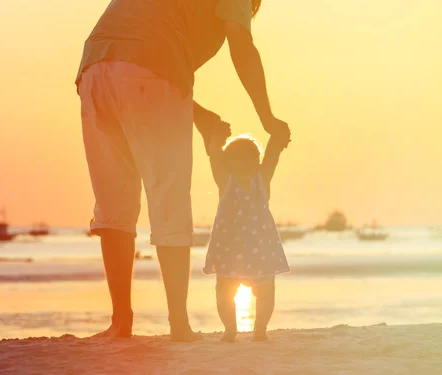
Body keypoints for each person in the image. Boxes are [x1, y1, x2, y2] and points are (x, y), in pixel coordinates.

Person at [75, 0, 290, 342]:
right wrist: (267, 118)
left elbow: (135, 69)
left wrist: (201, 118)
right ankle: (178, 324)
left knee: (114, 204)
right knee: (169, 202)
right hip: (149, 70)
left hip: (93, 69)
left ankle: (121, 322)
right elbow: (241, 48)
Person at [202, 132, 291, 342]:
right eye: (237, 157)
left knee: (266, 290)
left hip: (260, 248)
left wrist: (277, 137)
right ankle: (230, 329)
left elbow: (272, 156)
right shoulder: (225, 181)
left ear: (257, 160)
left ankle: (260, 329)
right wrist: (215, 132)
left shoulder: (263, 179)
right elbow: (214, 155)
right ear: (228, 162)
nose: (245, 162)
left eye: (250, 157)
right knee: (224, 291)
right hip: (229, 250)